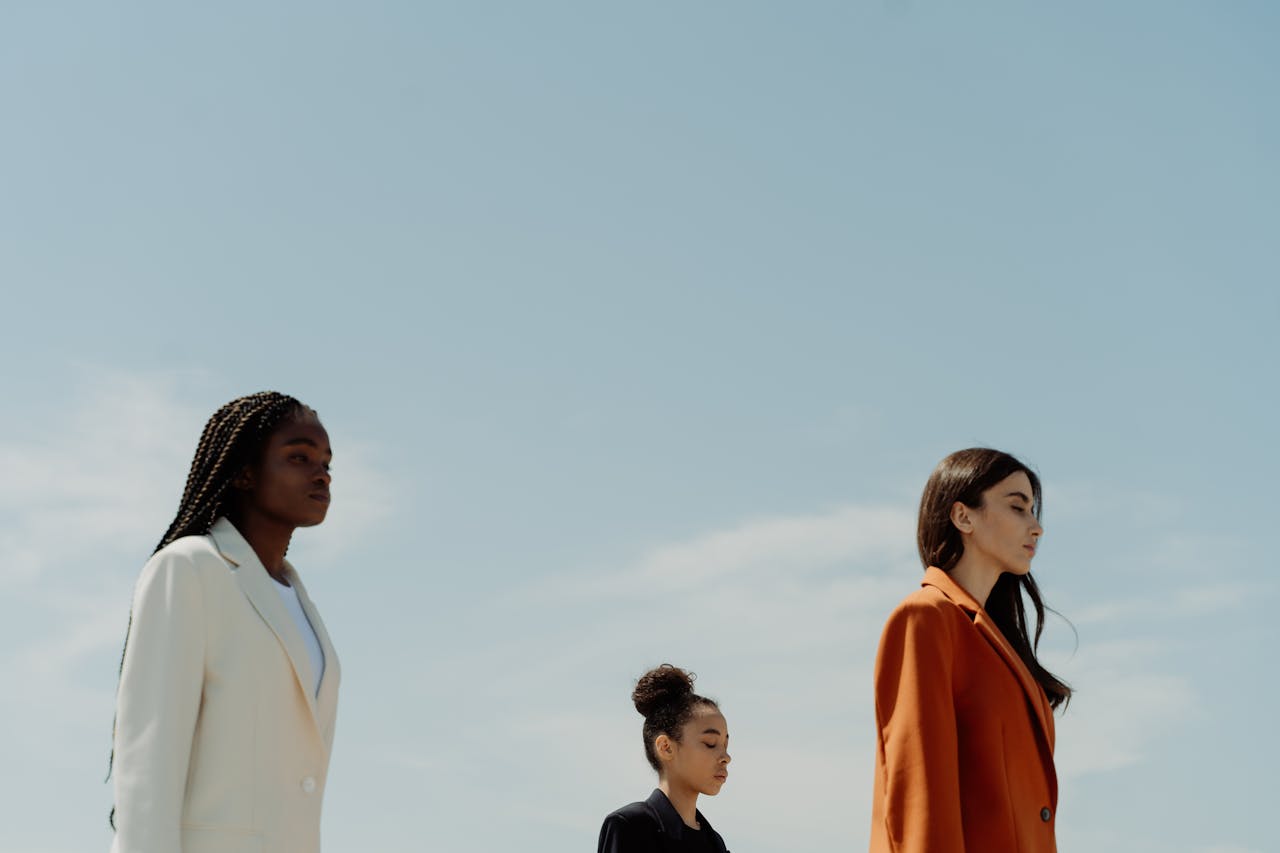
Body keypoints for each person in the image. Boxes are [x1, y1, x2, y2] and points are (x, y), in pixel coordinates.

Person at [109, 391, 341, 853]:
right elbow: (148, 765)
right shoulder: (190, 569)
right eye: (299, 457)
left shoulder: (297, 598)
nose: (321, 474)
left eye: (327, 463)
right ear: (244, 472)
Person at [869, 448, 1072, 853]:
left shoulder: (1000, 644)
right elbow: (919, 800)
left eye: (1035, 511)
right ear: (963, 517)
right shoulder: (925, 619)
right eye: (1018, 508)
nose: (1036, 527)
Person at [597, 665, 732, 853]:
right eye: (710, 743)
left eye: (725, 745)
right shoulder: (631, 826)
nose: (726, 757)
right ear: (666, 747)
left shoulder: (715, 843)